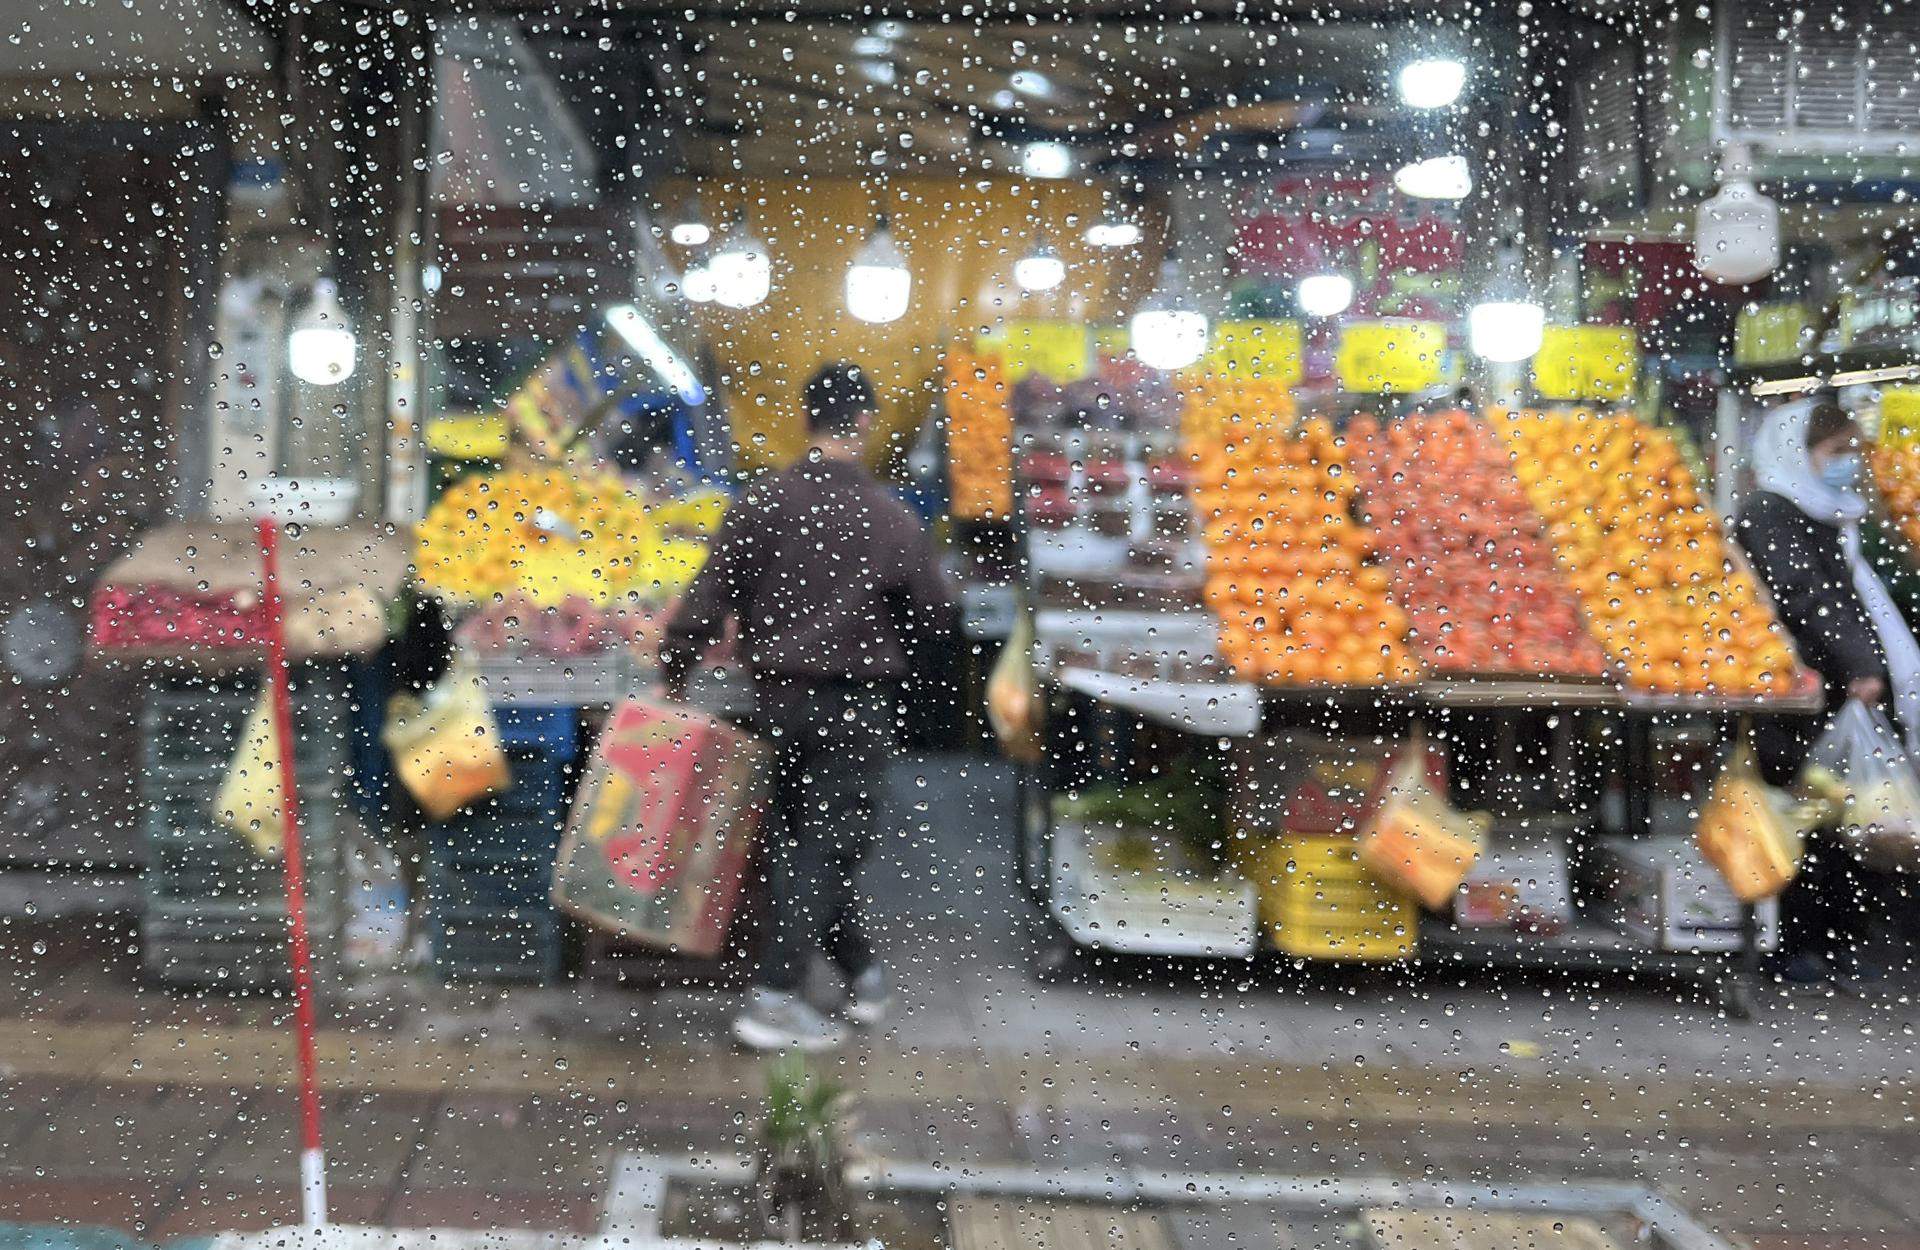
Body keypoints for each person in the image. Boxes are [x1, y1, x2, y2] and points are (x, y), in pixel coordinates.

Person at [660, 361, 957, 1051]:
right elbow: (938, 616)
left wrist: (674, 671)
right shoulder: (891, 518)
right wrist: (890, 638)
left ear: (804, 420)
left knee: (807, 847)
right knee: (829, 845)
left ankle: (864, 975)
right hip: (854, 708)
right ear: (865, 422)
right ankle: (774, 999)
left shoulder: (764, 501)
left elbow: (704, 599)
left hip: (774, 703)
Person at [1737, 397, 1920, 985]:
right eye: (1834, 452)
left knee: (1840, 817)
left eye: (1850, 452)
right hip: (1796, 697)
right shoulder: (1770, 512)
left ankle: (1832, 941)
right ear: (1797, 451)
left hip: (1833, 695)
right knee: (1804, 819)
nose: (1846, 464)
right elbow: (1807, 596)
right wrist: (1860, 664)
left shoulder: (1830, 512)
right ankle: (1798, 946)